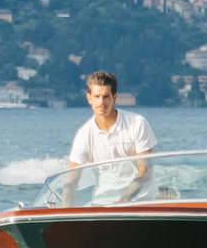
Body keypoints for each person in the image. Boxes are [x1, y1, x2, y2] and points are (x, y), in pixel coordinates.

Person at [66, 71, 154, 201]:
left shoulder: (137, 123)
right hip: (103, 203)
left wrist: (124, 200)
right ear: (89, 98)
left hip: (139, 201)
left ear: (114, 97)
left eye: (106, 96)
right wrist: (66, 211)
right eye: (96, 96)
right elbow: (72, 181)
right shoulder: (83, 135)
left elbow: (145, 169)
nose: (101, 102)